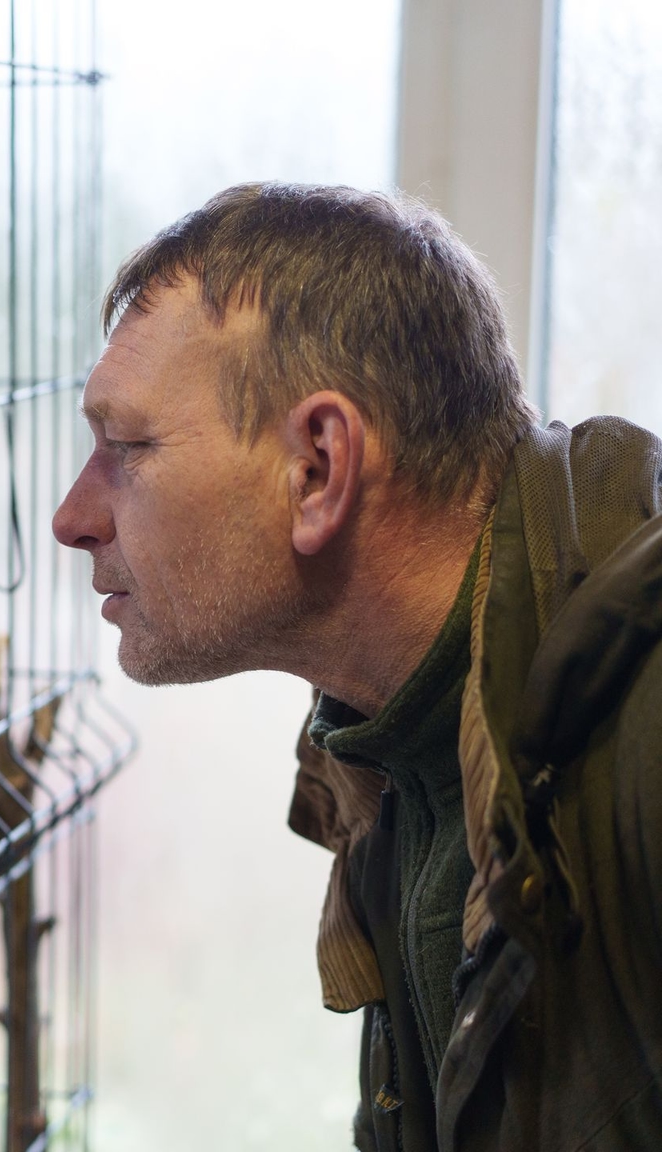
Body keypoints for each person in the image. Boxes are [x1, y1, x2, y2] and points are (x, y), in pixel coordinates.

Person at [53, 182, 662, 1151]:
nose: (72, 519)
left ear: (318, 468)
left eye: (127, 446)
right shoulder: (385, 737)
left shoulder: (644, 721)